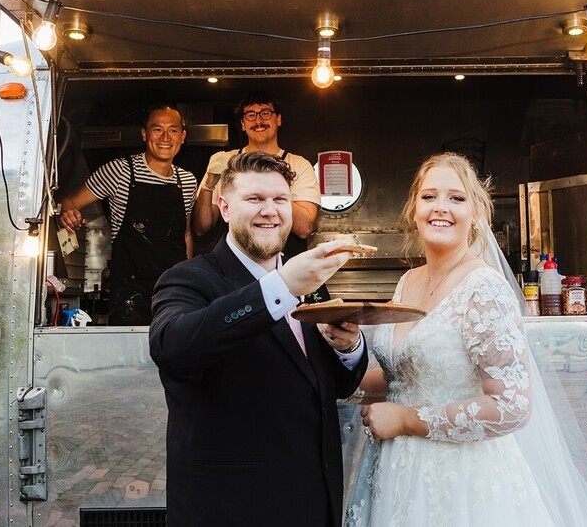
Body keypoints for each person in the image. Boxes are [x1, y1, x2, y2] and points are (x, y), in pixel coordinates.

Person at [346, 153, 587, 526]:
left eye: (456, 198)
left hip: (460, 480)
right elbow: (405, 374)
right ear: (414, 209)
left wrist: (407, 420)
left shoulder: (484, 288)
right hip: (396, 470)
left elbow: (511, 405)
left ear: (476, 213)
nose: (440, 207)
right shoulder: (407, 281)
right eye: (429, 196)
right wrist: (342, 352)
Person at [150, 151, 367, 527]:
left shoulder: (311, 283)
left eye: (280, 200)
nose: (270, 211)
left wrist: (348, 348)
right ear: (224, 207)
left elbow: (335, 385)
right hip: (231, 507)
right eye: (255, 199)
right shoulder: (188, 279)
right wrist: (281, 287)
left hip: (313, 504)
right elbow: (173, 347)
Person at [58, 105, 196, 326]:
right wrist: (68, 213)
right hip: (130, 294)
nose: (165, 137)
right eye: (157, 129)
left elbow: (186, 234)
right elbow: (69, 201)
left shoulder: (187, 181)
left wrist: (190, 281)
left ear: (182, 136)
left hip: (174, 291)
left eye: (172, 130)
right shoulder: (120, 171)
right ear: (144, 134)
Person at [192, 91, 320, 259]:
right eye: (251, 115)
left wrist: (275, 187)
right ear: (243, 124)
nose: (259, 121)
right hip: (236, 268)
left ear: (278, 119)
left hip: (286, 268)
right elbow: (202, 227)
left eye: (266, 113)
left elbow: (304, 228)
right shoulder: (225, 162)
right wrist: (208, 184)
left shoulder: (299, 164)